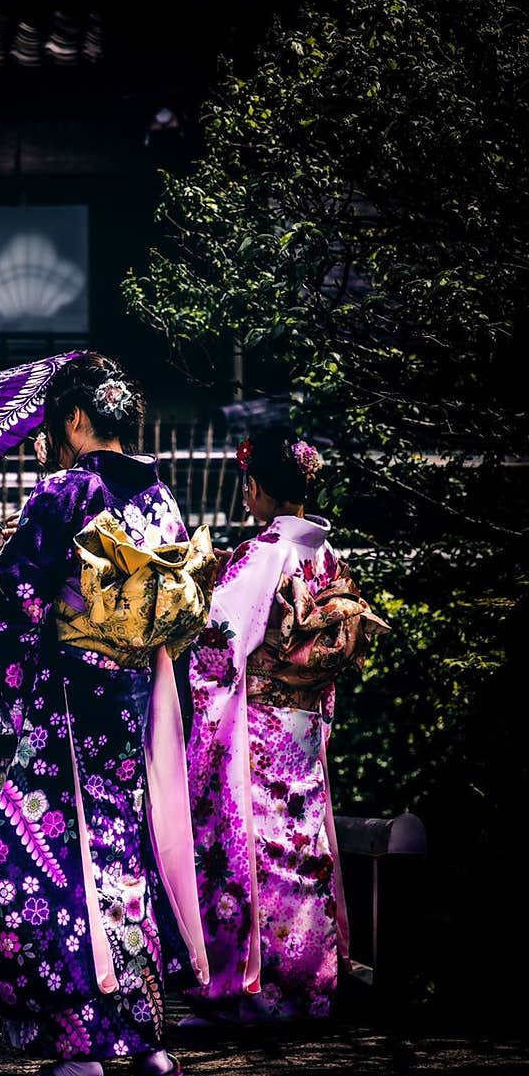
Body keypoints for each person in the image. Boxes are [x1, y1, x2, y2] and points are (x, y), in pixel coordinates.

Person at [0, 352, 212, 1076]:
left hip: (65, 713)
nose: (53, 439)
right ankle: (146, 1040)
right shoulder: (162, 501)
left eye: (52, 424)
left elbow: (5, 620)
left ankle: (80, 1050)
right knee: (119, 862)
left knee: (24, 858)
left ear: (76, 419)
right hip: (128, 713)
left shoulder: (64, 494)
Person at [184, 427, 389, 1026]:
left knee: (247, 851)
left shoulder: (260, 554)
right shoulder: (326, 557)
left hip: (257, 727)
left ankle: (244, 991)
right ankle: (310, 989)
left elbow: (216, 645)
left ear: (255, 488)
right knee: (305, 854)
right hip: (304, 729)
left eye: (246, 487)